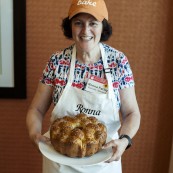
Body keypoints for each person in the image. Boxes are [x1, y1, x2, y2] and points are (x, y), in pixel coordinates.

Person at [26, 0, 141, 172]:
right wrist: (34, 134)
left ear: (103, 26)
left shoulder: (118, 62)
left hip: (105, 163)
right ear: (70, 26)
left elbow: (132, 113)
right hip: (59, 164)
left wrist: (125, 140)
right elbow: (36, 109)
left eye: (93, 23)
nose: (85, 31)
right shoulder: (57, 62)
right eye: (78, 23)